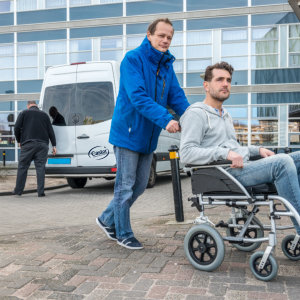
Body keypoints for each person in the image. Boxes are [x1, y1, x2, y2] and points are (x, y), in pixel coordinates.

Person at [96, 18, 190, 250]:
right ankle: (123, 233)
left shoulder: (166, 66)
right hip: (128, 133)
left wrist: (192, 118)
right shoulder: (132, 59)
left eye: (169, 37)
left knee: (138, 186)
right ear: (149, 35)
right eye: (161, 35)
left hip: (148, 138)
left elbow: (176, 96)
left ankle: (107, 219)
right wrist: (166, 119)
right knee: (125, 186)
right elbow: (138, 96)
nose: (166, 40)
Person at [179, 61, 300, 235]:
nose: (225, 84)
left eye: (228, 80)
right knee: (282, 162)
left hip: (243, 167)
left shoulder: (225, 114)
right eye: (219, 79)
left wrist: (257, 150)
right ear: (206, 85)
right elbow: (187, 153)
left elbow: (234, 147)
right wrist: (225, 153)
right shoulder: (196, 113)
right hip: (226, 174)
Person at [13, 101, 57, 197]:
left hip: (28, 144)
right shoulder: (45, 115)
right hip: (42, 145)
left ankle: (18, 191)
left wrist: (19, 140)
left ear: (28, 105)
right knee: (40, 167)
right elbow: (51, 131)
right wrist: (54, 145)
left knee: (23, 167)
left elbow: (16, 128)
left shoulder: (24, 113)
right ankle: (40, 192)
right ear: (36, 105)